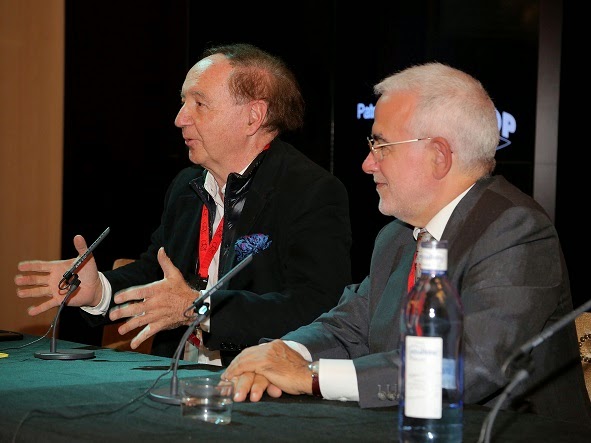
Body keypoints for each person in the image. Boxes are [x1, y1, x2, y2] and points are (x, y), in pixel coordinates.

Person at [222, 62, 591, 424]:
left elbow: (470, 366)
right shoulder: (397, 236)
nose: (367, 164)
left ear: (438, 156)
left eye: (381, 146)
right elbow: (349, 326)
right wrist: (282, 353)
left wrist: (314, 376)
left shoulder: (516, 231)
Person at [14, 43, 352, 366]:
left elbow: (316, 309)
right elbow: (156, 274)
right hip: (174, 376)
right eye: (182, 102)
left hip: (253, 380)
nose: (179, 118)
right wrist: (99, 290)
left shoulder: (310, 192)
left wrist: (200, 309)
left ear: (253, 117)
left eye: (199, 104)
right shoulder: (186, 187)